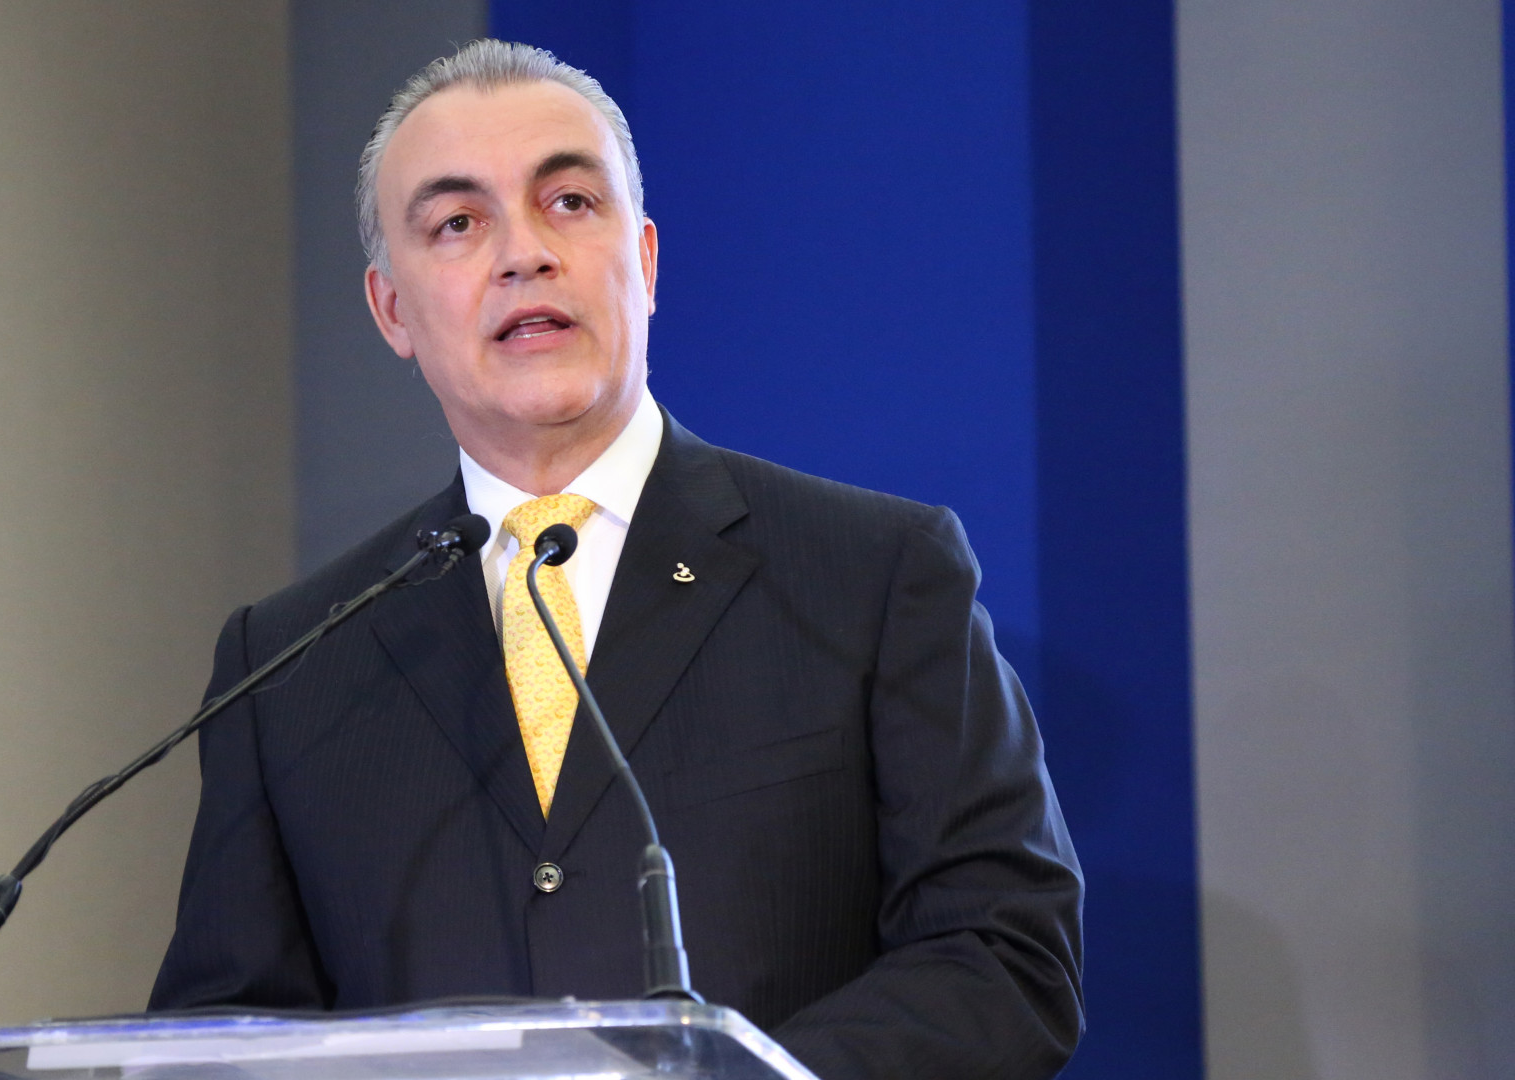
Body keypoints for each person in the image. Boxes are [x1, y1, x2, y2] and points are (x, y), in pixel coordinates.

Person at [150, 40, 1084, 1080]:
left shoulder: (874, 574)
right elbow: (222, 1034)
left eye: (569, 202)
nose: (524, 254)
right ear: (392, 311)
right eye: (458, 223)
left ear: (644, 261)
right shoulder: (288, 665)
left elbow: (1003, 956)